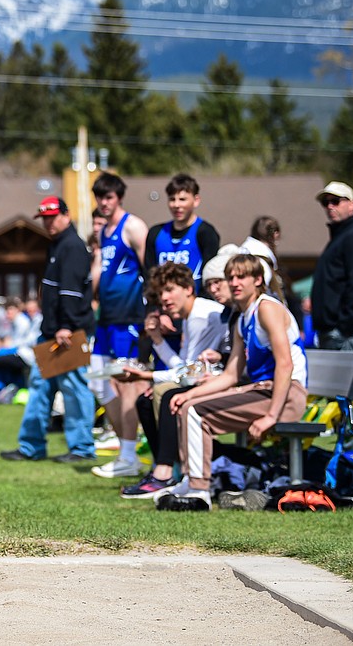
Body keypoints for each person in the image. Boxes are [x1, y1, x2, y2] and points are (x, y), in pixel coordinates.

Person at [156, 253, 307, 511]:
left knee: (195, 413)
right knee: (184, 404)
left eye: (242, 276)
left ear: (258, 279)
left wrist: (271, 416)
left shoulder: (267, 309)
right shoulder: (242, 318)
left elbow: (285, 365)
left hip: (285, 395)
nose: (234, 282)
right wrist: (192, 393)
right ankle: (191, 481)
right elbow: (230, 376)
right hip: (261, 391)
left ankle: (199, 489)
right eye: (230, 277)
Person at [114, 263, 229, 497]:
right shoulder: (190, 316)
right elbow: (184, 368)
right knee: (145, 400)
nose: (164, 299)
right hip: (209, 377)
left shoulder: (200, 315)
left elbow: (187, 374)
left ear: (188, 288)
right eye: (160, 294)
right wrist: (156, 339)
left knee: (167, 395)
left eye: (169, 290)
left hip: (228, 380)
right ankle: (162, 468)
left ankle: (165, 473)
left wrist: (147, 375)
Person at [1, 196, 96, 462]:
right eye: (45, 217)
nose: (48, 222)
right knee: (39, 387)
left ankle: (82, 448)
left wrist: (66, 326)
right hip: (51, 331)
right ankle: (31, 447)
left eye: (53, 216)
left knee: (74, 388)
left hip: (70, 332)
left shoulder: (73, 247)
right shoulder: (56, 245)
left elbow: (71, 292)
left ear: (66, 215)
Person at [88, 173, 148, 478]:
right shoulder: (103, 232)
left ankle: (128, 454)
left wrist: (154, 311)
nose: (104, 203)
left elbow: (150, 268)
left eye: (109, 197)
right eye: (99, 197)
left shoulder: (133, 226)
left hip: (129, 318)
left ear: (119, 197)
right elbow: (99, 269)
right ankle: (125, 444)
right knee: (97, 381)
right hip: (106, 319)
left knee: (127, 385)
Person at [310, 181, 353, 353]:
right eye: (326, 202)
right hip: (333, 333)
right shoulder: (340, 238)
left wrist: (345, 326)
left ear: (352, 204)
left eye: (336, 201)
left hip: (347, 336)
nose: (330, 206)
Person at [144, 173, 220, 295]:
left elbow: (211, 276)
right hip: (163, 307)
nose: (177, 205)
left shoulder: (205, 232)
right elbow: (149, 277)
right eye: (172, 199)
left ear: (196, 200)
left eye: (182, 199)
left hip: (196, 306)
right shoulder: (156, 233)